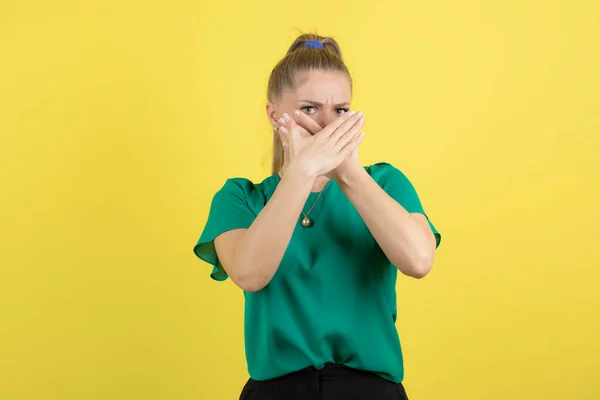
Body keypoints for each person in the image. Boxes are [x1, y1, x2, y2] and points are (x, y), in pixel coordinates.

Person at [193, 33, 441, 400]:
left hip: (371, 390)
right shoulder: (239, 198)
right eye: (310, 109)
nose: (328, 124)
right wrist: (302, 172)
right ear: (274, 113)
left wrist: (349, 174)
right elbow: (249, 274)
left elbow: (419, 261)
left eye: (340, 111)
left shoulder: (385, 182)